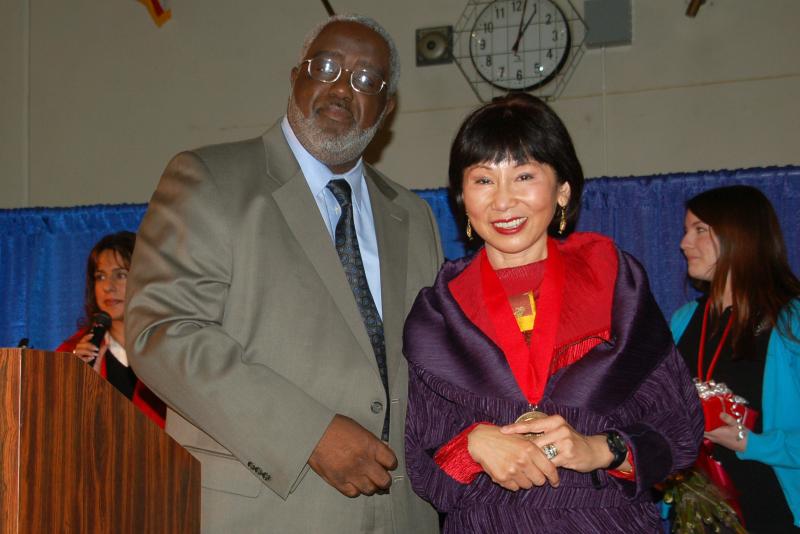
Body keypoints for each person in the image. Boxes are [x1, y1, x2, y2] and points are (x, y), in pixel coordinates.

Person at [125, 14, 442, 534]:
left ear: (385, 108)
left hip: (403, 515)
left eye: (366, 80)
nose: (343, 87)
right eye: (327, 66)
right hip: (265, 511)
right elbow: (162, 331)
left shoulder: (415, 215)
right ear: (297, 76)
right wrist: (310, 435)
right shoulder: (210, 178)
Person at [403, 93, 703, 533]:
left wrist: (602, 449)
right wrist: (471, 446)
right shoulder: (441, 312)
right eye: (483, 180)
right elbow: (420, 462)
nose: (503, 202)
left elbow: (680, 428)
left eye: (523, 176)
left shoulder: (614, 284)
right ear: (462, 198)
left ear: (562, 189)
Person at [671, 185, 800, 531]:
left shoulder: (791, 322)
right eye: (686, 231)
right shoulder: (684, 319)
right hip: (700, 514)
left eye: (699, 230)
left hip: (774, 512)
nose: (684, 243)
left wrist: (750, 442)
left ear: (739, 237)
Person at [57, 231, 166, 428]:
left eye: (121, 275)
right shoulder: (71, 354)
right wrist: (82, 383)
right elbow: (58, 429)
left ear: (145, 280)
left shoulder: (170, 347)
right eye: (100, 276)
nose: (108, 286)